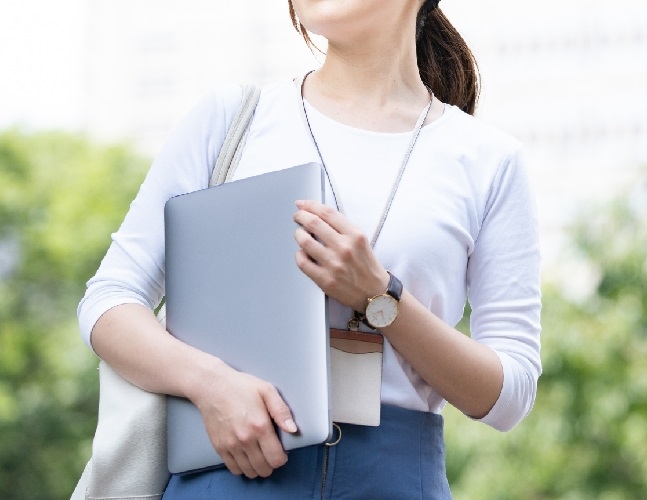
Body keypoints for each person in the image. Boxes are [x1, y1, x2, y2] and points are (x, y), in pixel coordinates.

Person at [78, 0, 542, 497]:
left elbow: (508, 394)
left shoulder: (488, 161)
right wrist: (210, 385)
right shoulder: (234, 119)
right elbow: (109, 300)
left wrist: (380, 297)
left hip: (394, 480)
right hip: (231, 469)